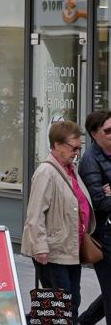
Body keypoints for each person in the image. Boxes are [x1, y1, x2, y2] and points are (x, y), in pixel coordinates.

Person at [24, 119, 95, 318]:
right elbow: (35, 215)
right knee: (61, 305)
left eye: (79, 148)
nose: (77, 153)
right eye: (74, 148)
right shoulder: (46, 172)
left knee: (68, 302)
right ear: (57, 145)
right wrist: (40, 247)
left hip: (70, 249)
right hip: (53, 252)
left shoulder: (70, 171)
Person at [78, 111, 111, 325]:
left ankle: (83, 321)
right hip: (104, 236)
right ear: (94, 133)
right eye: (107, 131)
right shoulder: (90, 160)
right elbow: (99, 203)